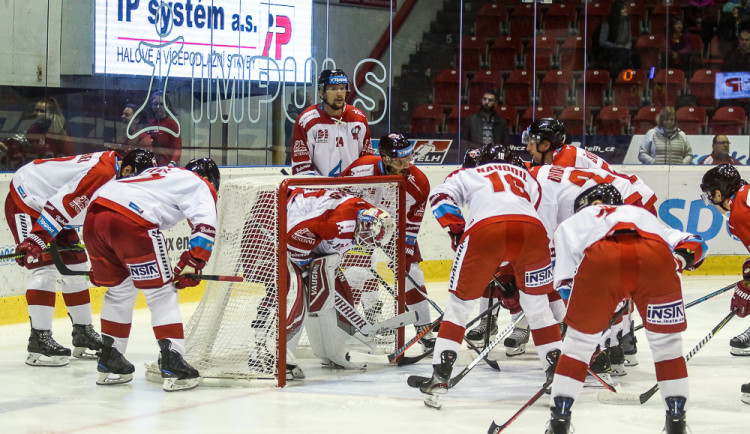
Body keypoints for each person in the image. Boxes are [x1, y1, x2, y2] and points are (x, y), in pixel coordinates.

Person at [548, 183, 706, 433]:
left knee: (576, 348)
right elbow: (695, 243)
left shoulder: (572, 223)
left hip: (601, 259)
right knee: (668, 348)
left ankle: (559, 420)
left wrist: (595, 325)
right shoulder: (641, 215)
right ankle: (676, 421)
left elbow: (566, 285)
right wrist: (676, 261)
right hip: (656, 259)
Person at [417, 143, 563, 409]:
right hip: (533, 233)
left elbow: (439, 198)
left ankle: (440, 377)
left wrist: (457, 230)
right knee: (539, 309)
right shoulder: (527, 178)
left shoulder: (467, 174)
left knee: (459, 308)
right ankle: (557, 375)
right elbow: (528, 213)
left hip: (486, 231)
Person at [8, 148, 156, 367]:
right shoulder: (103, 173)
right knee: (45, 269)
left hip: (56, 209)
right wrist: (37, 239)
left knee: (77, 266)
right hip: (28, 199)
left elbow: (96, 220)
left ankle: (83, 332)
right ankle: (39, 338)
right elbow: (65, 203)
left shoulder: (117, 175)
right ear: (127, 169)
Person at [82, 158, 220, 391]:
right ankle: (172, 360)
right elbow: (206, 224)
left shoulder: (161, 175)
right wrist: (195, 261)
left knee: (119, 289)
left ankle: (110, 358)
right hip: (132, 219)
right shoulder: (200, 183)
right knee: (162, 293)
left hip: (95, 216)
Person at [341, 133, 436, 349]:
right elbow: (339, 195)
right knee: (357, 273)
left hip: (394, 226)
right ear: (384, 158)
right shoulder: (360, 169)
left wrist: (406, 252)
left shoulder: (419, 183)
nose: (406, 163)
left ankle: (424, 330)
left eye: (407, 156)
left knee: (413, 273)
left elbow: (413, 221)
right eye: (399, 159)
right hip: (359, 227)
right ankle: (350, 326)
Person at [286, 188, 396, 370]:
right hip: (283, 220)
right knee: (296, 294)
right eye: (368, 239)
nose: (367, 244)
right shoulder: (339, 224)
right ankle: (278, 353)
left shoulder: (368, 218)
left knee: (339, 292)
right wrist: (306, 268)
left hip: (312, 231)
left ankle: (333, 349)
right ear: (362, 225)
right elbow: (292, 239)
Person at [699, 164, 750, 403]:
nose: (710, 199)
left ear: (719, 193)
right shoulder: (738, 211)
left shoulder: (742, 207)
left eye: (711, 193)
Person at [291, 69, 373, 176]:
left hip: (353, 189)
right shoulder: (307, 121)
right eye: (334, 89)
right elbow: (302, 168)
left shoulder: (359, 119)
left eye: (342, 88)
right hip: (320, 189)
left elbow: (367, 161)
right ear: (321, 92)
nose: (339, 93)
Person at [594, 1, 637, 78]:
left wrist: (627, 46)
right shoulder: (607, 23)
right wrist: (617, 46)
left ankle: (636, 78)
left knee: (635, 56)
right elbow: (602, 41)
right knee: (624, 55)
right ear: (618, 10)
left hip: (625, 49)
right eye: (623, 8)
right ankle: (618, 77)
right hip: (611, 49)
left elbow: (629, 39)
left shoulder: (627, 23)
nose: (626, 10)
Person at [148, 90, 182, 166]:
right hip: (150, 166)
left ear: (167, 105)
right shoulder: (149, 123)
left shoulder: (172, 124)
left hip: (167, 166)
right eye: (155, 104)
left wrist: (172, 163)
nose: (158, 107)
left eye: (161, 104)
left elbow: (177, 148)